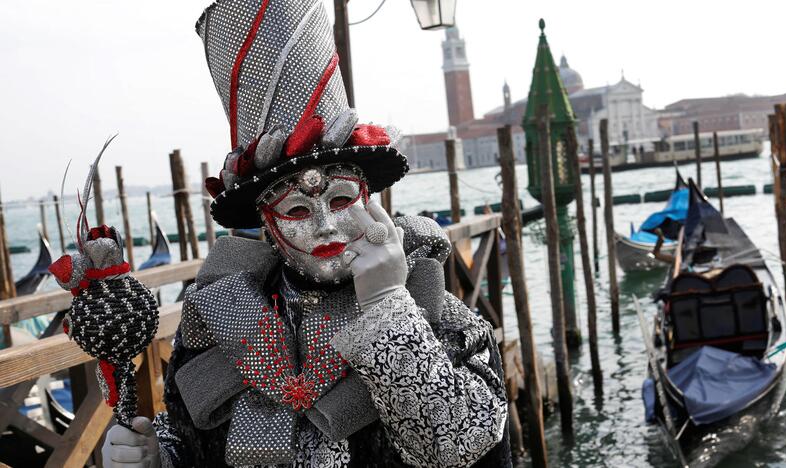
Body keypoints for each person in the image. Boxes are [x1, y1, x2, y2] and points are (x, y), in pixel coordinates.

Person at [101, 1, 510, 467]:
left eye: (339, 199)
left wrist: (387, 307)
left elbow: (460, 446)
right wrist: (158, 457)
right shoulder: (221, 317)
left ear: (369, 200)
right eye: (296, 208)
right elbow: (191, 438)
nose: (326, 224)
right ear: (269, 226)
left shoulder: (429, 309)